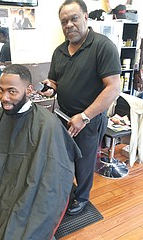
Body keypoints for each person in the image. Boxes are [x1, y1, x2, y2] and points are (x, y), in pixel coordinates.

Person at [0, 64, 81, 239]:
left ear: (29, 90)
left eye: (12, 91)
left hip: (26, 197)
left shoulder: (47, 124)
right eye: (1, 91)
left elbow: (54, 176)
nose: (4, 98)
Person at [41, 0, 121, 215]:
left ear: (85, 17)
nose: (69, 25)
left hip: (89, 119)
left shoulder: (103, 46)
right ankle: (67, 189)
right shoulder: (59, 51)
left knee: (84, 163)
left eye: (74, 18)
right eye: (64, 21)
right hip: (62, 116)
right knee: (64, 157)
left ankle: (82, 198)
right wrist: (50, 88)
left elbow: (113, 88)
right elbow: (55, 81)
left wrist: (84, 117)